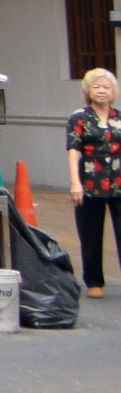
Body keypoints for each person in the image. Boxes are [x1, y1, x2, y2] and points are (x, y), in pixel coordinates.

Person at [67, 67, 120, 299]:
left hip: (118, 183)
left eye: (106, 87)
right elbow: (73, 151)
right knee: (90, 234)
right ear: (88, 91)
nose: (101, 91)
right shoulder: (79, 118)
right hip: (89, 184)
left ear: (113, 92)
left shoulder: (119, 118)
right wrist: (75, 183)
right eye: (97, 87)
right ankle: (94, 281)